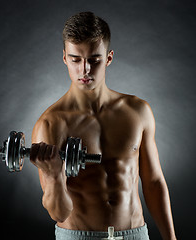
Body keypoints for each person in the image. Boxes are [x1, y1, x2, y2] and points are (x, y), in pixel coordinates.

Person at [30, 12, 177, 240]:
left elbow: (154, 182)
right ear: (64, 58)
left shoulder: (138, 111)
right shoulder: (51, 123)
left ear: (108, 58)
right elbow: (59, 212)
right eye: (75, 60)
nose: (85, 69)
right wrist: (54, 175)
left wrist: (171, 238)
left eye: (94, 60)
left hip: (135, 234)